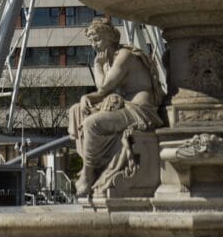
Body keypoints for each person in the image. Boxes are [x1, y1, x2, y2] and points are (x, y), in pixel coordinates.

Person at [69, 17, 163, 197]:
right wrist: (86, 95)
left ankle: (88, 173)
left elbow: (103, 88)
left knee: (92, 123)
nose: (94, 45)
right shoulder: (110, 59)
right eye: (91, 41)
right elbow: (102, 90)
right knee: (75, 110)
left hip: (139, 110)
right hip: (124, 105)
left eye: (97, 39)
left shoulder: (124, 56)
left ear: (111, 37)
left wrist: (98, 65)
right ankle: (94, 165)